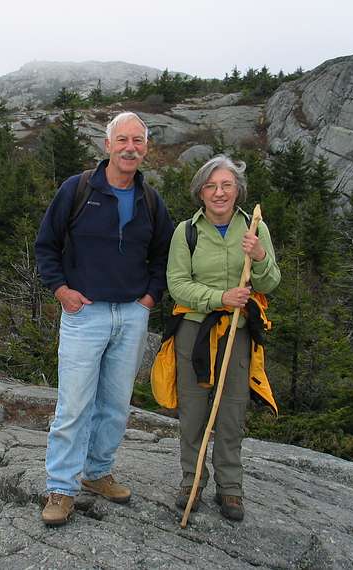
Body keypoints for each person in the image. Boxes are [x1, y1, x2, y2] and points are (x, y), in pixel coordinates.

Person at [35, 111, 174, 526]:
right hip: (85, 313)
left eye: (139, 141)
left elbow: (164, 253)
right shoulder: (76, 190)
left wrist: (149, 298)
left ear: (146, 148)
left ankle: (97, 473)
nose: (131, 148)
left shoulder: (151, 200)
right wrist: (61, 290)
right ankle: (61, 488)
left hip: (131, 315)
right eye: (123, 140)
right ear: (107, 145)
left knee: (115, 405)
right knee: (74, 405)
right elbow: (46, 245)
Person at [159, 155, 281, 521]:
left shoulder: (255, 229)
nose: (219, 192)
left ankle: (231, 488)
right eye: (211, 186)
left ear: (238, 190)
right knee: (194, 410)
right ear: (200, 192)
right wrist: (220, 299)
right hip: (194, 330)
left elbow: (270, 281)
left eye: (226, 185)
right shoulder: (187, 231)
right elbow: (176, 285)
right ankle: (191, 481)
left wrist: (258, 256)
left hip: (238, 334)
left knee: (231, 411)